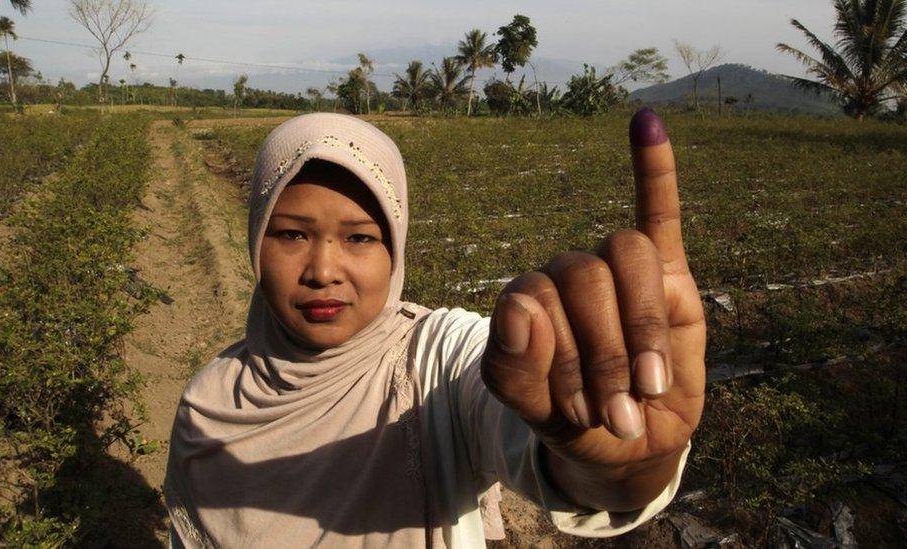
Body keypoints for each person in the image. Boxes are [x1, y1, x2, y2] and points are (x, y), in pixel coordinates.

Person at [163, 108, 706, 548]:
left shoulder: (435, 361)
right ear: (255, 240)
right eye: (290, 234)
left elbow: (518, 425)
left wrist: (629, 461)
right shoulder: (207, 408)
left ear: (395, 248)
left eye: (359, 238)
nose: (323, 271)